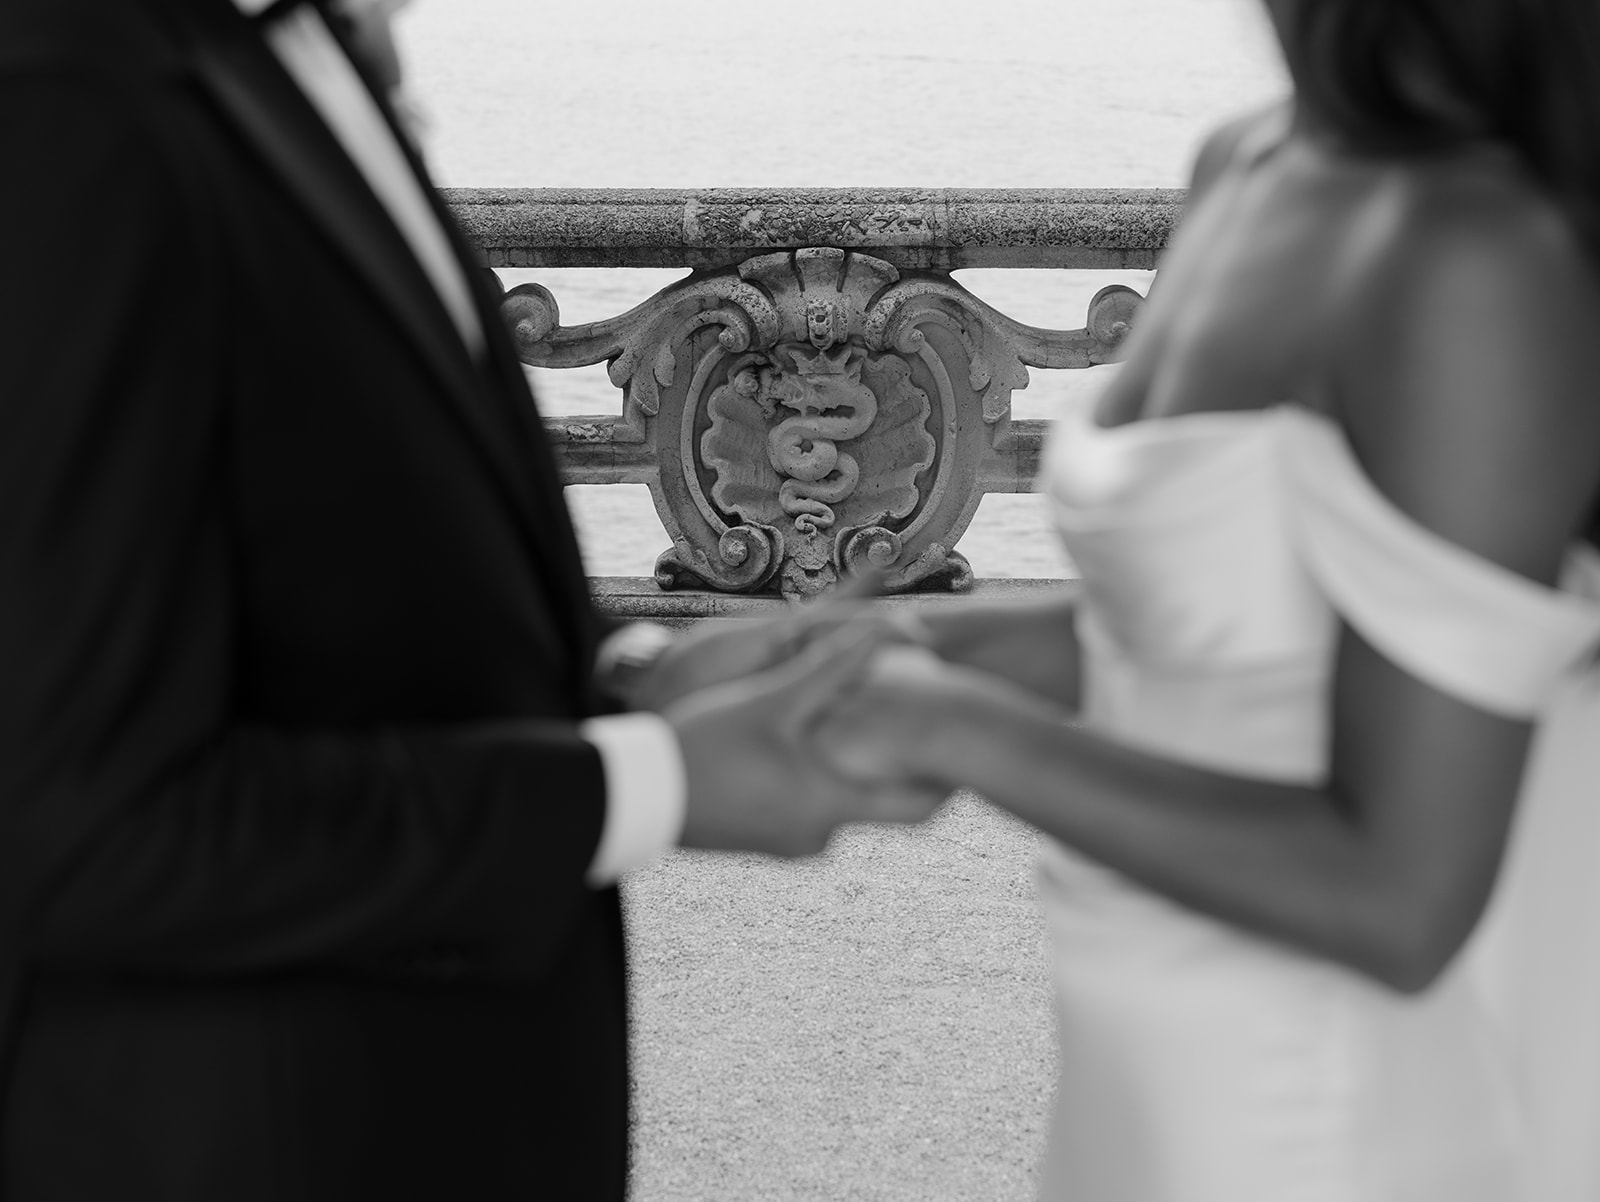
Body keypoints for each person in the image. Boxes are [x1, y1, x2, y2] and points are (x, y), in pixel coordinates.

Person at [0, 0, 936, 1197]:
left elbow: (316, 562)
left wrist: (622, 671)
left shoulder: (255, 52)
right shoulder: (63, 106)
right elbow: (85, 824)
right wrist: (647, 784)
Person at [813, 0, 1600, 1198]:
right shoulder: (1252, 157)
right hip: (1147, 1048)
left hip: (1324, 1095)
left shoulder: (1466, 250)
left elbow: (1403, 893)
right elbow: (1205, 638)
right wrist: (890, 642)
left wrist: (944, 721)